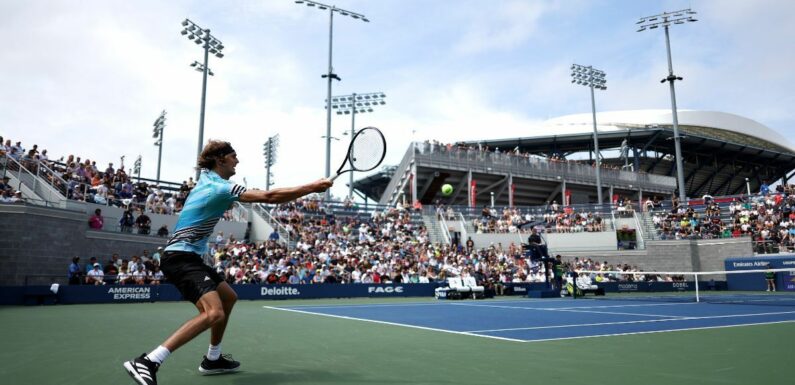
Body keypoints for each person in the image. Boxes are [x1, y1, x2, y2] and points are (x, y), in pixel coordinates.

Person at [123, 140, 333, 385]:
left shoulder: (207, 179)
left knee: (228, 297)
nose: (238, 161)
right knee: (214, 312)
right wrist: (312, 187)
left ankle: (213, 358)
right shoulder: (218, 187)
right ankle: (149, 361)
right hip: (180, 257)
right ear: (220, 160)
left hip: (189, 257)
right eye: (234, 156)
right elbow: (270, 196)